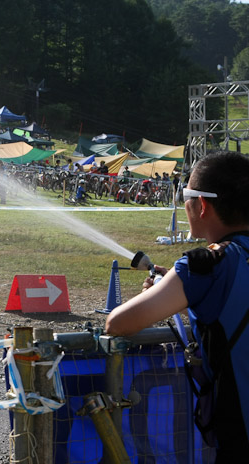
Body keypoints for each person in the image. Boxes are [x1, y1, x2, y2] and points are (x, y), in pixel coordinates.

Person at [106, 151, 249, 460]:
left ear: (202, 205)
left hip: (240, 433)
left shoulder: (205, 265)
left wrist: (170, 289)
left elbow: (118, 324)